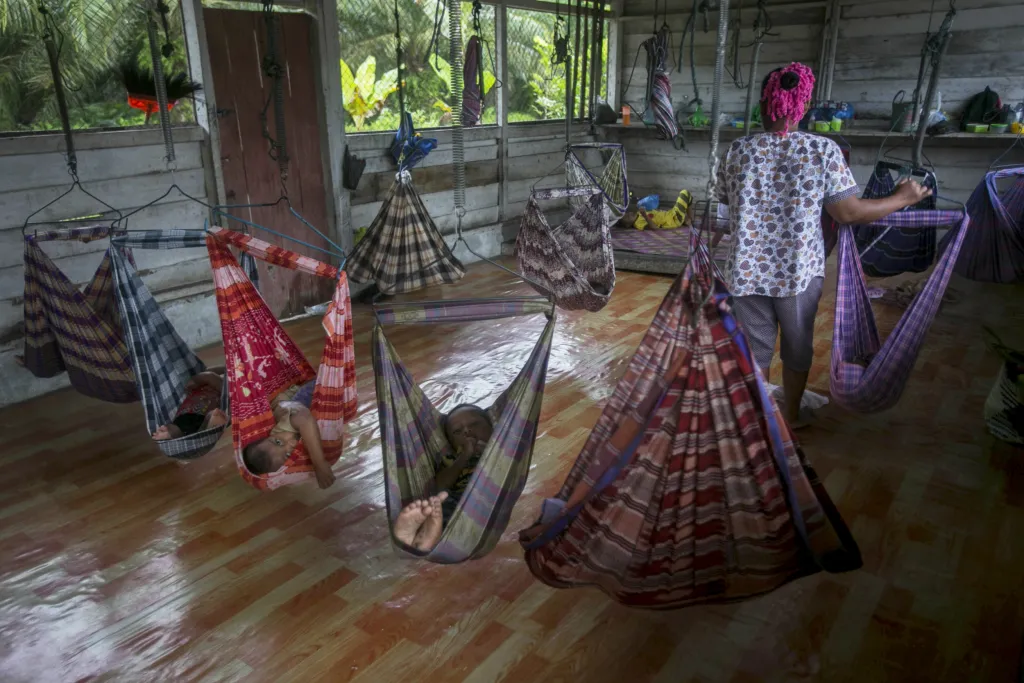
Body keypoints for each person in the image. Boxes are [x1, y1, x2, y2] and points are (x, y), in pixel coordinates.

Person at [715, 62, 932, 428]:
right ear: (802, 105)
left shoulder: (738, 150)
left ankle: (762, 417)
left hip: (745, 268)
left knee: (757, 344)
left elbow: (724, 208)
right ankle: (791, 415)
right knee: (797, 345)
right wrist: (902, 198)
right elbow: (848, 212)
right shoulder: (822, 151)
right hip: (797, 271)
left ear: (764, 104)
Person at [391, 404, 493, 551]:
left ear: (491, 427)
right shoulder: (452, 460)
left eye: (474, 424)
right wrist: (464, 457)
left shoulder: (502, 450)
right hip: (460, 499)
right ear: (451, 442)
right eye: (457, 431)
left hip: (487, 496)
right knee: (440, 503)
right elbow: (439, 487)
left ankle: (426, 534)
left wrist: (487, 452)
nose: (466, 431)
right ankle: (422, 534)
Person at [241, 379, 336, 489]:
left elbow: (305, 419)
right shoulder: (297, 456)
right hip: (317, 405)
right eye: (287, 454)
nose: (290, 443)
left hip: (306, 395)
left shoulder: (282, 427)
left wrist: (319, 464)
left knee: (309, 396)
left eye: (278, 441)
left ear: (270, 435)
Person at [152, 367, 229, 441]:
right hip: (195, 409)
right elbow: (209, 374)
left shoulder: (224, 383)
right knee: (186, 424)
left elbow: (209, 375)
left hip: (194, 410)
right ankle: (208, 427)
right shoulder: (218, 379)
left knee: (184, 424)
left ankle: (209, 426)